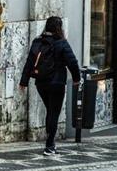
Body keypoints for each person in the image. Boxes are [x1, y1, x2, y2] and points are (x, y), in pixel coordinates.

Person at [19, 16, 80, 156]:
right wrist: (76, 79)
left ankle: (50, 143)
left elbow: (29, 62)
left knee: (50, 110)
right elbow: (72, 62)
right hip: (57, 83)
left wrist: (24, 81)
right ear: (59, 28)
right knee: (54, 112)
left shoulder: (37, 41)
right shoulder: (62, 43)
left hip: (41, 83)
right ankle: (49, 146)